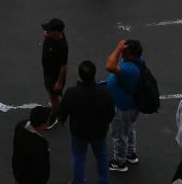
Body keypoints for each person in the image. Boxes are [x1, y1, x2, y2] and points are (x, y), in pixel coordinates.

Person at [60, 60, 114, 184]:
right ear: (94, 75)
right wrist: (105, 123)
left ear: (80, 75)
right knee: (102, 156)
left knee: (78, 157)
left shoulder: (71, 92)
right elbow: (111, 112)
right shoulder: (104, 92)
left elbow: (63, 112)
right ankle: (104, 181)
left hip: (79, 132)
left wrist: (62, 120)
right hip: (99, 131)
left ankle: (78, 181)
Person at [105, 39, 144, 171]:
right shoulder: (139, 60)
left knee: (119, 134)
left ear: (130, 54)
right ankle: (130, 153)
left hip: (123, 107)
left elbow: (110, 66)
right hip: (131, 105)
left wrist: (117, 48)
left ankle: (120, 162)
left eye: (124, 52)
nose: (121, 54)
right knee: (129, 129)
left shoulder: (129, 68)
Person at [12, 106, 53, 184]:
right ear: (42, 124)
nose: (48, 123)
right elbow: (40, 168)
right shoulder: (39, 145)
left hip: (19, 172)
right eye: (47, 121)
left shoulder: (21, 125)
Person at [41, 19, 69, 118]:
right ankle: (57, 107)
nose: (46, 31)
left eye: (49, 30)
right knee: (52, 95)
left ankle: (53, 115)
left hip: (53, 76)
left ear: (56, 32)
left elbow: (64, 66)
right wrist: (47, 36)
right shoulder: (52, 36)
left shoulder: (62, 46)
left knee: (53, 97)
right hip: (47, 71)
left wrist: (59, 82)